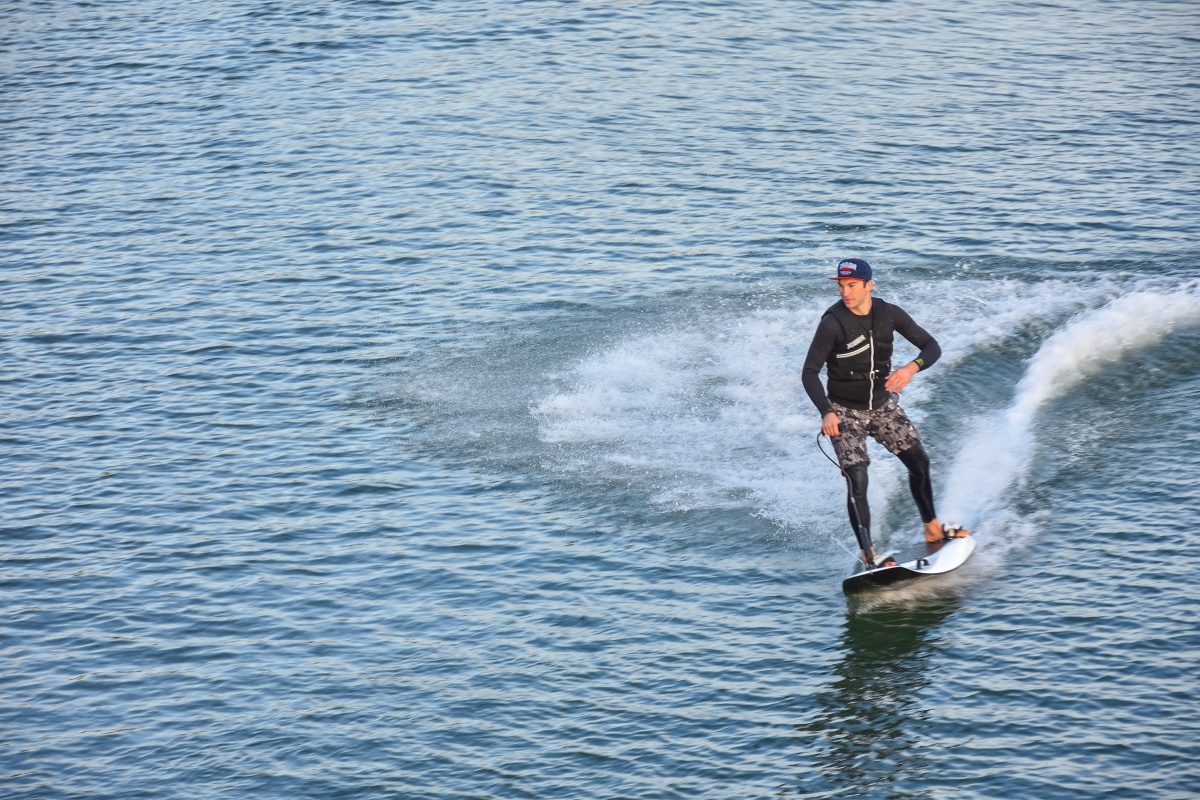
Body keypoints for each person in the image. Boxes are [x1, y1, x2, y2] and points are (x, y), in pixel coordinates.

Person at [801, 258, 967, 569]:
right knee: (857, 477)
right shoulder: (832, 323)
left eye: (852, 285)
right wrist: (826, 412)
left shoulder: (889, 314)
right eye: (841, 286)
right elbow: (809, 373)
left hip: (882, 405)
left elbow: (931, 346)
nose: (846, 292)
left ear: (869, 285)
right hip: (844, 411)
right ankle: (869, 554)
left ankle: (932, 527)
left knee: (919, 461)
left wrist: (911, 368)